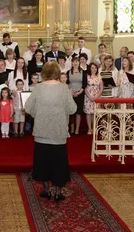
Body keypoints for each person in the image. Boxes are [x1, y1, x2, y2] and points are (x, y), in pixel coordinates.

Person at [25, 61, 77, 201]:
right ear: (58, 73)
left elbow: (28, 107)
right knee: (58, 161)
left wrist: (38, 113)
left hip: (42, 131)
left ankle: (46, 190)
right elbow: (72, 109)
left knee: (43, 161)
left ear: (44, 73)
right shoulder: (64, 88)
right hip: (58, 132)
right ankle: (58, 191)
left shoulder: (38, 88)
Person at [66, 57, 87, 135]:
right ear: (71, 63)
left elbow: (84, 84)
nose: (75, 63)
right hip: (70, 94)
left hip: (80, 94)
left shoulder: (83, 72)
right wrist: (71, 92)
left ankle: (77, 129)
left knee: (78, 112)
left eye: (77, 62)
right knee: (71, 112)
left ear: (79, 63)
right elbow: (67, 83)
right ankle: (71, 128)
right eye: (74, 62)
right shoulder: (68, 72)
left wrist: (78, 92)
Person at [84, 63, 103, 134]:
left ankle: (95, 128)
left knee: (95, 113)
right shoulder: (86, 76)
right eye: (92, 68)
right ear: (89, 69)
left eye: (95, 68)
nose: (94, 69)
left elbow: (101, 88)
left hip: (97, 96)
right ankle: (89, 129)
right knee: (88, 113)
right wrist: (90, 96)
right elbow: (85, 88)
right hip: (88, 96)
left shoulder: (99, 77)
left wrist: (97, 97)